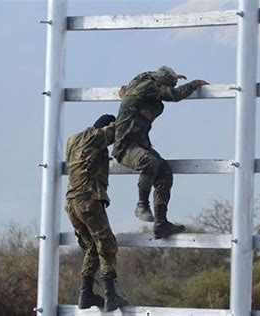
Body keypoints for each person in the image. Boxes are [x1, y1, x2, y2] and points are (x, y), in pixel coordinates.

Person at [113, 66, 209, 239]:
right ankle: (142, 205)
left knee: (165, 172)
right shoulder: (148, 86)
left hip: (139, 143)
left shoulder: (142, 86)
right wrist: (194, 84)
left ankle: (161, 223)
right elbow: (175, 95)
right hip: (126, 146)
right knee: (149, 162)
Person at [65, 114, 129, 312]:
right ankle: (111, 295)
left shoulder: (73, 140)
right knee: (107, 244)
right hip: (88, 200)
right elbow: (120, 128)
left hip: (72, 203)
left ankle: (86, 294)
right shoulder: (96, 136)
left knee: (92, 246)